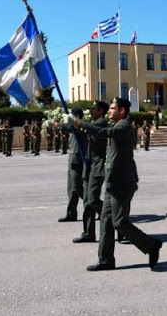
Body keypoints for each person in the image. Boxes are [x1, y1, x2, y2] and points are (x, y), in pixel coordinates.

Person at [64, 97, 162, 271]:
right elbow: (101, 131)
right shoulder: (115, 126)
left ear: (122, 111)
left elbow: (103, 132)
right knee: (106, 223)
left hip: (122, 182)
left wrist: (78, 122)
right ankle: (106, 260)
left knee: (118, 222)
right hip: (112, 181)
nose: (109, 111)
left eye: (112, 108)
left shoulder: (124, 126)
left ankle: (151, 244)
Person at [73, 101, 109, 242]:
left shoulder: (102, 123)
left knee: (93, 200)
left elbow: (90, 127)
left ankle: (115, 221)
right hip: (88, 165)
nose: (91, 111)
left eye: (93, 109)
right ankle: (88, 232)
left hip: (98, 166)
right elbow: (79, 128)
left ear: (100, 111)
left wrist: (77, 121)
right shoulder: (91, 123)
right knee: (87, 202)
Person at [57, 108, 87, 223]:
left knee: (77, 187)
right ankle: (71, 213)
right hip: (72, 159)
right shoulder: (74, 126)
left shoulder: (80, 126)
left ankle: (97, 206)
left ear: (77, 117)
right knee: (71, 188)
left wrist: (57, 124)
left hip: (78, 159)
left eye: (72, 116)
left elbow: (70, 127)